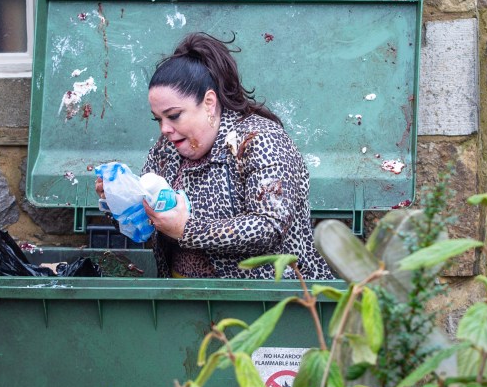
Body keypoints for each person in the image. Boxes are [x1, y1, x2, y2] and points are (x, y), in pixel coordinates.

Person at [97, 32, 333, 280]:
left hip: (269, 302)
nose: (164, 128)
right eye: (158, 119)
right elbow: (147, 229)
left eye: (174, 115)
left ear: (209, 102)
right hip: (183, 302)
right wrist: (119, 202)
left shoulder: (260, 139)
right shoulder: (165, 150)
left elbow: (269, 227)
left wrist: (187, 229)